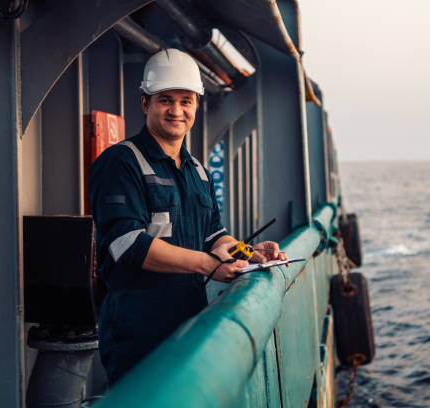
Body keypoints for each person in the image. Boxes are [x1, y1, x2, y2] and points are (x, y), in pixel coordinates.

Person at [89, 48, 286, 385]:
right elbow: (126, 244)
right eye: (165, 99)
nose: (176, 110)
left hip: (188, 327)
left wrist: (250, 255)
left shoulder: (197, 171)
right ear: (144, 103)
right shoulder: (120, 162)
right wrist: (209, 265)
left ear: (196, 104)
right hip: (138, 334)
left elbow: (214, 235)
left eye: (186, 100)